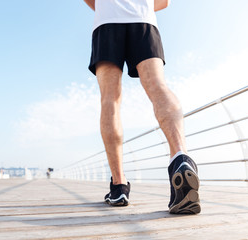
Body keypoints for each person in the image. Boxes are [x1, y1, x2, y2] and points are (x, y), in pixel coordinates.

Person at [84, 0, 201, 214]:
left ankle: (119, 187)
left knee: (110, 99)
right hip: (143, 19)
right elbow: (164, 2)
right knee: (157, 86)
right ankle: (181, 159)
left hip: (107, 21)